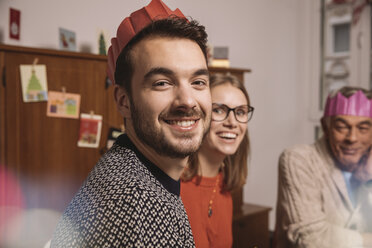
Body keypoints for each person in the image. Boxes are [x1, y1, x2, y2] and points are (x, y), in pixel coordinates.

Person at [50, 0, 211, 247]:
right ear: (124, 101)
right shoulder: (139, 203)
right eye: (162, 83)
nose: (188, 100)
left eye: (198, 82)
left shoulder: (128, 169)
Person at [274, 86, 372, 247]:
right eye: (341, 127)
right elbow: (311, 238)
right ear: (326, 128)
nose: (352, 138)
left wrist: (369, 182)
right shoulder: (299, 159)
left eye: (363, 128)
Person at [181, 73, 253, 248]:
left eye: (241, 112)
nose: (232, 122)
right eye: (219, 110)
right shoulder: (172, 187)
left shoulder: (223, 187)